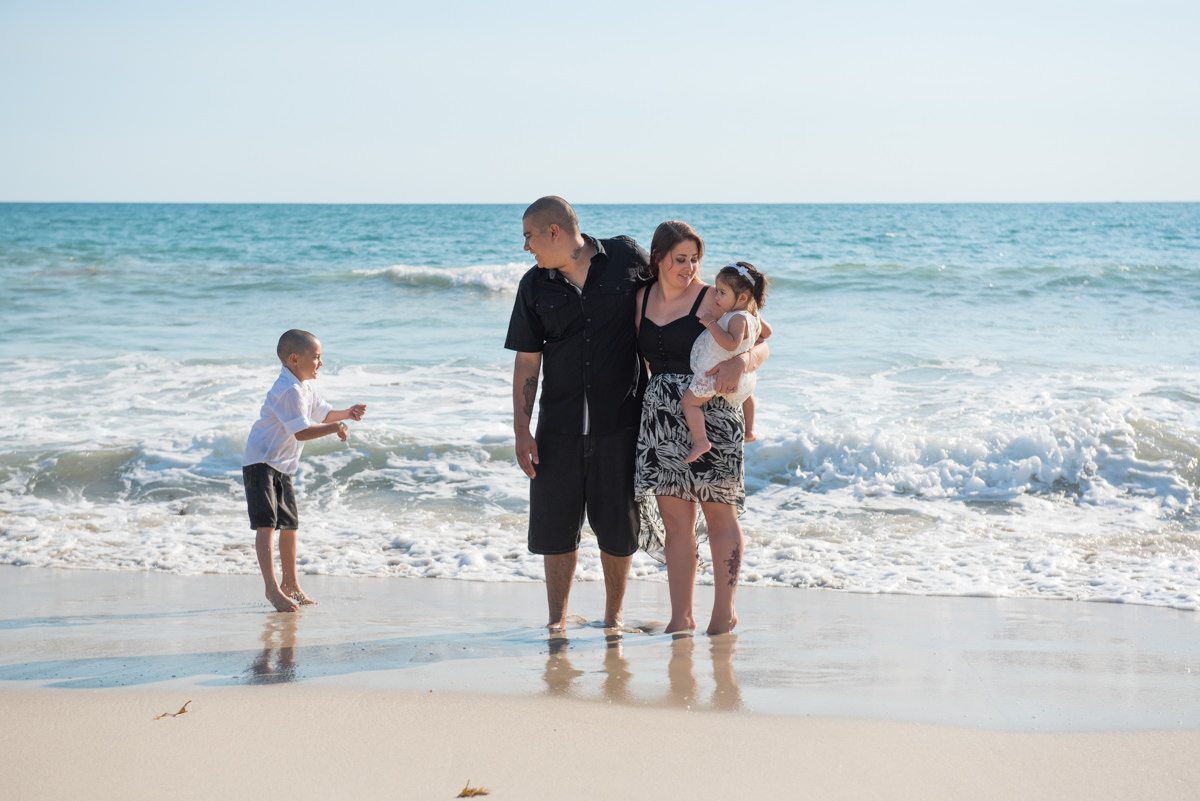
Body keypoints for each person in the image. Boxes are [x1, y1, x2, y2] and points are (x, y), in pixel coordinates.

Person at [505, 197, 650, 631]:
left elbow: (673, 296)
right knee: (555, 529)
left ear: (554, 232)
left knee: (618, 529)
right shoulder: (534, 286)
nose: (526, 247)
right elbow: (528, 362)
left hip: (621, 423)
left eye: (529, 236)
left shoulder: (626, 258)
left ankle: (613, 616)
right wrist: (521, 430)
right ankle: (557, 619)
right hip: (558, 427)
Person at [634, 221, 769, 635]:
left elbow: (763, 339)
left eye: (695, 259)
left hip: (712, 410)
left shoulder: (713, 297)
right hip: (659, 415)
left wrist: (741, 362)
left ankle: (723, 614)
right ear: (658, 258)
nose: (689, 267)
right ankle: (681, 618)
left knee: (720, 516)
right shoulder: (639, 299)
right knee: (676, 525)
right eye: (680, 259)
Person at [242, 329, 366, 612]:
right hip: (260, 462)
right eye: (316, 358)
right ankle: (272, 588)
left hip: (281, 466)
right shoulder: (288, 390)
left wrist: (345, 414)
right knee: (266, 525)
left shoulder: (306, 386)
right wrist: (334, 429)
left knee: (289, 526)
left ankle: (291, 584)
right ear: (295, 359)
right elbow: (300, 432)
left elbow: (322, 413)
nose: (320, 363)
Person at [681, 261, 771, 462]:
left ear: (742, 297)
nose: (716, 296)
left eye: (722, 292)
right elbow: (768, 333)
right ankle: (749, 431)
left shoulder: (737, 319)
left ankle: (700, 441)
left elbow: (730, 344)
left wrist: (711, 323)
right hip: (739, 375)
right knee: (747, 395)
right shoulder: (752, 315)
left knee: (689, 403)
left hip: (716, 373)